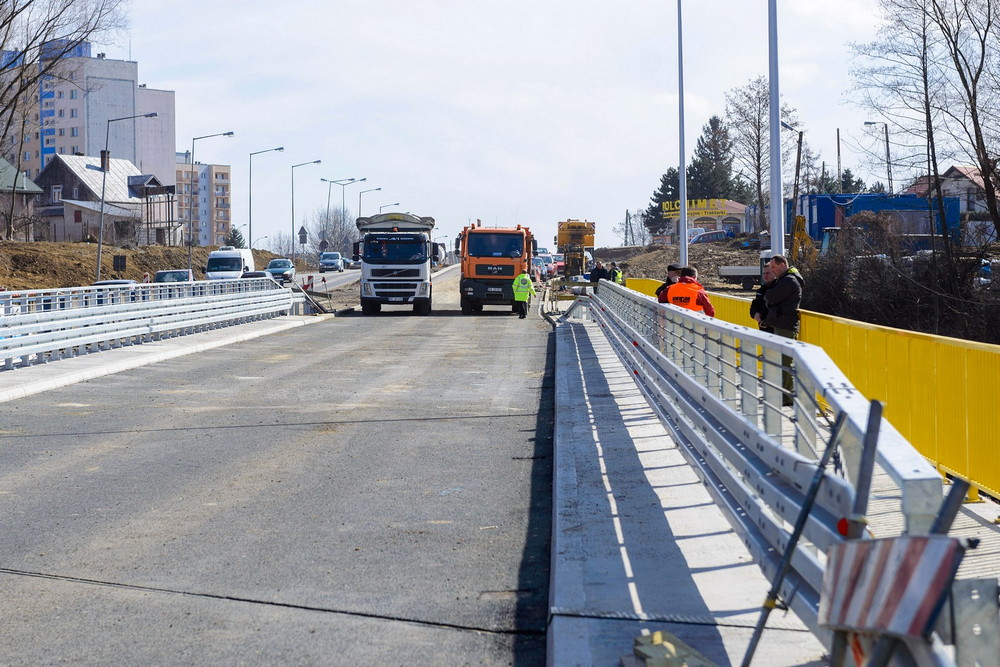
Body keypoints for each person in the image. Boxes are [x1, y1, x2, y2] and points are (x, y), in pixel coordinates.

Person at [763, 254, 804, 406]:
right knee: (782, 361)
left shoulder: (789, 280)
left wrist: (769, 299)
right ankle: (785, 394)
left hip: (786, 325)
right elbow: (769, 297)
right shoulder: (786, 279)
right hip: (782, 323)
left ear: (782, 265)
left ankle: (787, 397)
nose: (772, 271)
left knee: (786, 362)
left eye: (773, 267)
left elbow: (770, 296)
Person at [749, 265, 776, 333]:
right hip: (763, 329)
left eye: (768, 273)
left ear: (774, 273)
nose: (765, 276)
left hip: (775, 329)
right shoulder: (761, 290)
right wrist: (755, 313)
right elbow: (754, 305)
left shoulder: (778, 288)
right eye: (764, 273)